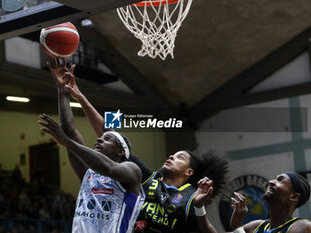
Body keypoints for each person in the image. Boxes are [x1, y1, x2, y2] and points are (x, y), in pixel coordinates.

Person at [46, 59, 229, 233]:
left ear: (189, 172)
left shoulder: (191, 199)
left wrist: (199, 208)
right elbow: (108, 134)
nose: (172, 156)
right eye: (173, 154)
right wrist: (79, 96)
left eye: (180, 157)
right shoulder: (147, 178)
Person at [39, 59, 145, 233]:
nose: (99, 140)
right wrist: (62, 92)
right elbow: (70, 132)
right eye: (100, 138)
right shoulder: (88, 172)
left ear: (121, 151)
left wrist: (66, 141)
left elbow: (108, 168)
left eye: (107, 139)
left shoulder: (132, 171)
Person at [226, 171, 311, 233]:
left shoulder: (303, 227)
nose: (271, 181)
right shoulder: (255, 226)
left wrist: (237, 225)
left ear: (294, 196)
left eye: (280, 180)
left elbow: (238, 229)